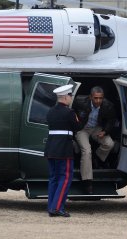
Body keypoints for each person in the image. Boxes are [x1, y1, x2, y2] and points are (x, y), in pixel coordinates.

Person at [45, 84, 82, 217]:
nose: (71, 98)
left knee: (54, 178)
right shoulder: (69, 112)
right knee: (65, 178)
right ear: (66, 97)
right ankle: (57, 208)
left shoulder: (50, 111)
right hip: (63, 149)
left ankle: (51, 207)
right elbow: (77, 126)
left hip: (51, 148)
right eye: (70, 96)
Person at [72, 86, 116, 194]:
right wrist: (75, 122)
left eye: (100, 98)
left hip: (96, 128)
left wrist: (105, 131)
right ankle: (87, 182)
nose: (98, 101)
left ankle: (96, 158)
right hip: (82, 128)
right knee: (86, 151)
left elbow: (111, 120)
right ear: (90, 97)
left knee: (109, 144)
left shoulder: (108, 105)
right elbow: (70, 110)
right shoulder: (79, 100)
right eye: (96, 98)